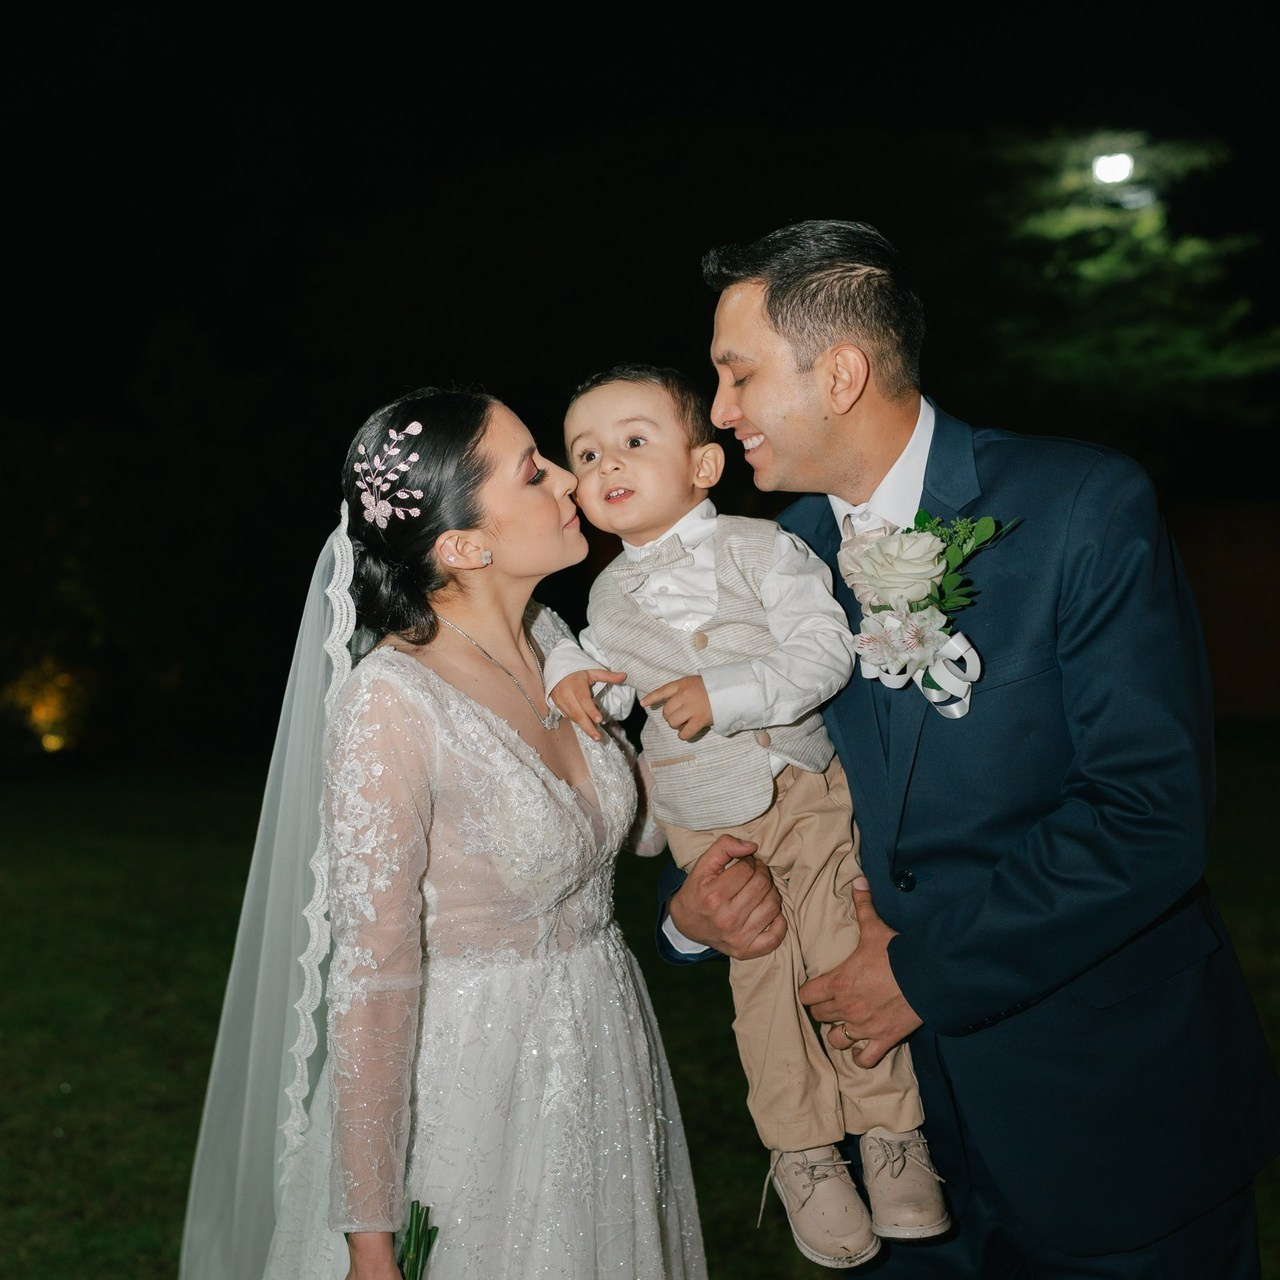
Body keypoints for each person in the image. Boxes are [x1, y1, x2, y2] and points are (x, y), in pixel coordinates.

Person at [658, 219, 1280, 1277]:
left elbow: (1145, 814)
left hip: (1104, 1105)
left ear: (840, 371)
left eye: (735, 375)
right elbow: (732, 779)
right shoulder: (765, 560)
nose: (715, 414)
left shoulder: (1079, 506)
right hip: (890, 1130)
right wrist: (686, 918)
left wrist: (925, 974)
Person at [179, 386, 708, 1280]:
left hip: (604, 1058)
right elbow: (372, 977)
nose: (571, 485)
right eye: (534, 472)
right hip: (470, 1101)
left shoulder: (551, 638)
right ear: (465, 545)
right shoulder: (390, 704)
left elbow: (620, 824)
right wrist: (373, 1238)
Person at [543, 362, 949, 1269]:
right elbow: (603, 699)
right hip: (702, 818)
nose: (606, 461)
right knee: (760, 984)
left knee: (843, 949)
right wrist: (569, 678)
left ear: (702, 466)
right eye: (585, 451)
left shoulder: (769, 549)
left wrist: (725, 693)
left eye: (633, 442)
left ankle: (890, 1135)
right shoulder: (601, 601)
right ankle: (802, 1153)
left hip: (802, 787)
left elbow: (823, 655)